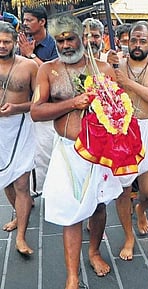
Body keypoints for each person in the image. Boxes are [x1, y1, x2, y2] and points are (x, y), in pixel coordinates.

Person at [30, 15, 123, 289]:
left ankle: (93, 252)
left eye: (70, 39)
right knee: (71, 211)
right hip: (67, 151)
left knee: (99, 205)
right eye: (60, 41)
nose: (66, 45)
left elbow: (119, 111)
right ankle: (72, 274)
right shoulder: (47, 70)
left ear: (81, 38)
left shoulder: (103, 69)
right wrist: (73, 102)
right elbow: (36, 111)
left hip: (98, 152)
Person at [112, 20, 148, 261]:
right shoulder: (117, 64)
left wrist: (128, 83)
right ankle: (128, 236)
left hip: (147, 128)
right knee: (123, 190)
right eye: (133, 40)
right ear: (127, 41)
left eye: (142, 40)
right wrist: (109, 68)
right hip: (122, 131)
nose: (137, 45)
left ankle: (141, 209)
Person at [0, 22, 38, 255]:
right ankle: (18, 214)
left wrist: (17, 108)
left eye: (6, 41)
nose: (2, 45)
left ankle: (21, 235)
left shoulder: (29, 66)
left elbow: (40, 102)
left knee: (22, 183)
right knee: (6, 179)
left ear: (15, 41)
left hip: (21, 126)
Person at [18, 6, 58, 199]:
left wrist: (31, 56)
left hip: (49, 111)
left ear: (42, 22)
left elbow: (55, 76)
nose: (25, 24)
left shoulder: (55, 45)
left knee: (48, 156)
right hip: (24, 109)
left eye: (29, 20)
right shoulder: (22, 44)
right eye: (24, 20)